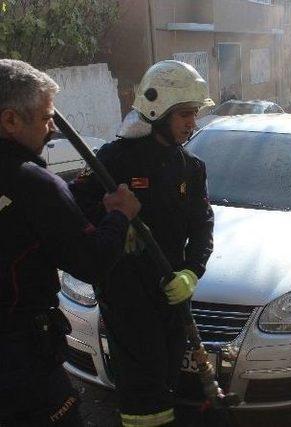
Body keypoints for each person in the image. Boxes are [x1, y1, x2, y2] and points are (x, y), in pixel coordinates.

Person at [71, 60, 215, 427]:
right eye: (184, 113)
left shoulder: (191, 168)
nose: (191, 122)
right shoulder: (113, 159)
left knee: (166, 377)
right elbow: (76, 212)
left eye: (194, 113)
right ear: (157, 109)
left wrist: (191, 272)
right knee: (140, 391)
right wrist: (110, 218)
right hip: (126, 297)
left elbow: (202, 226)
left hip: (171, 292)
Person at [0, 59, 141, 426]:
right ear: (10, 120)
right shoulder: (32, 183)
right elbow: (91, 262)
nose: (51, 129)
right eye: (46, 118)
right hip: (20, 361)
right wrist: (119, 215)